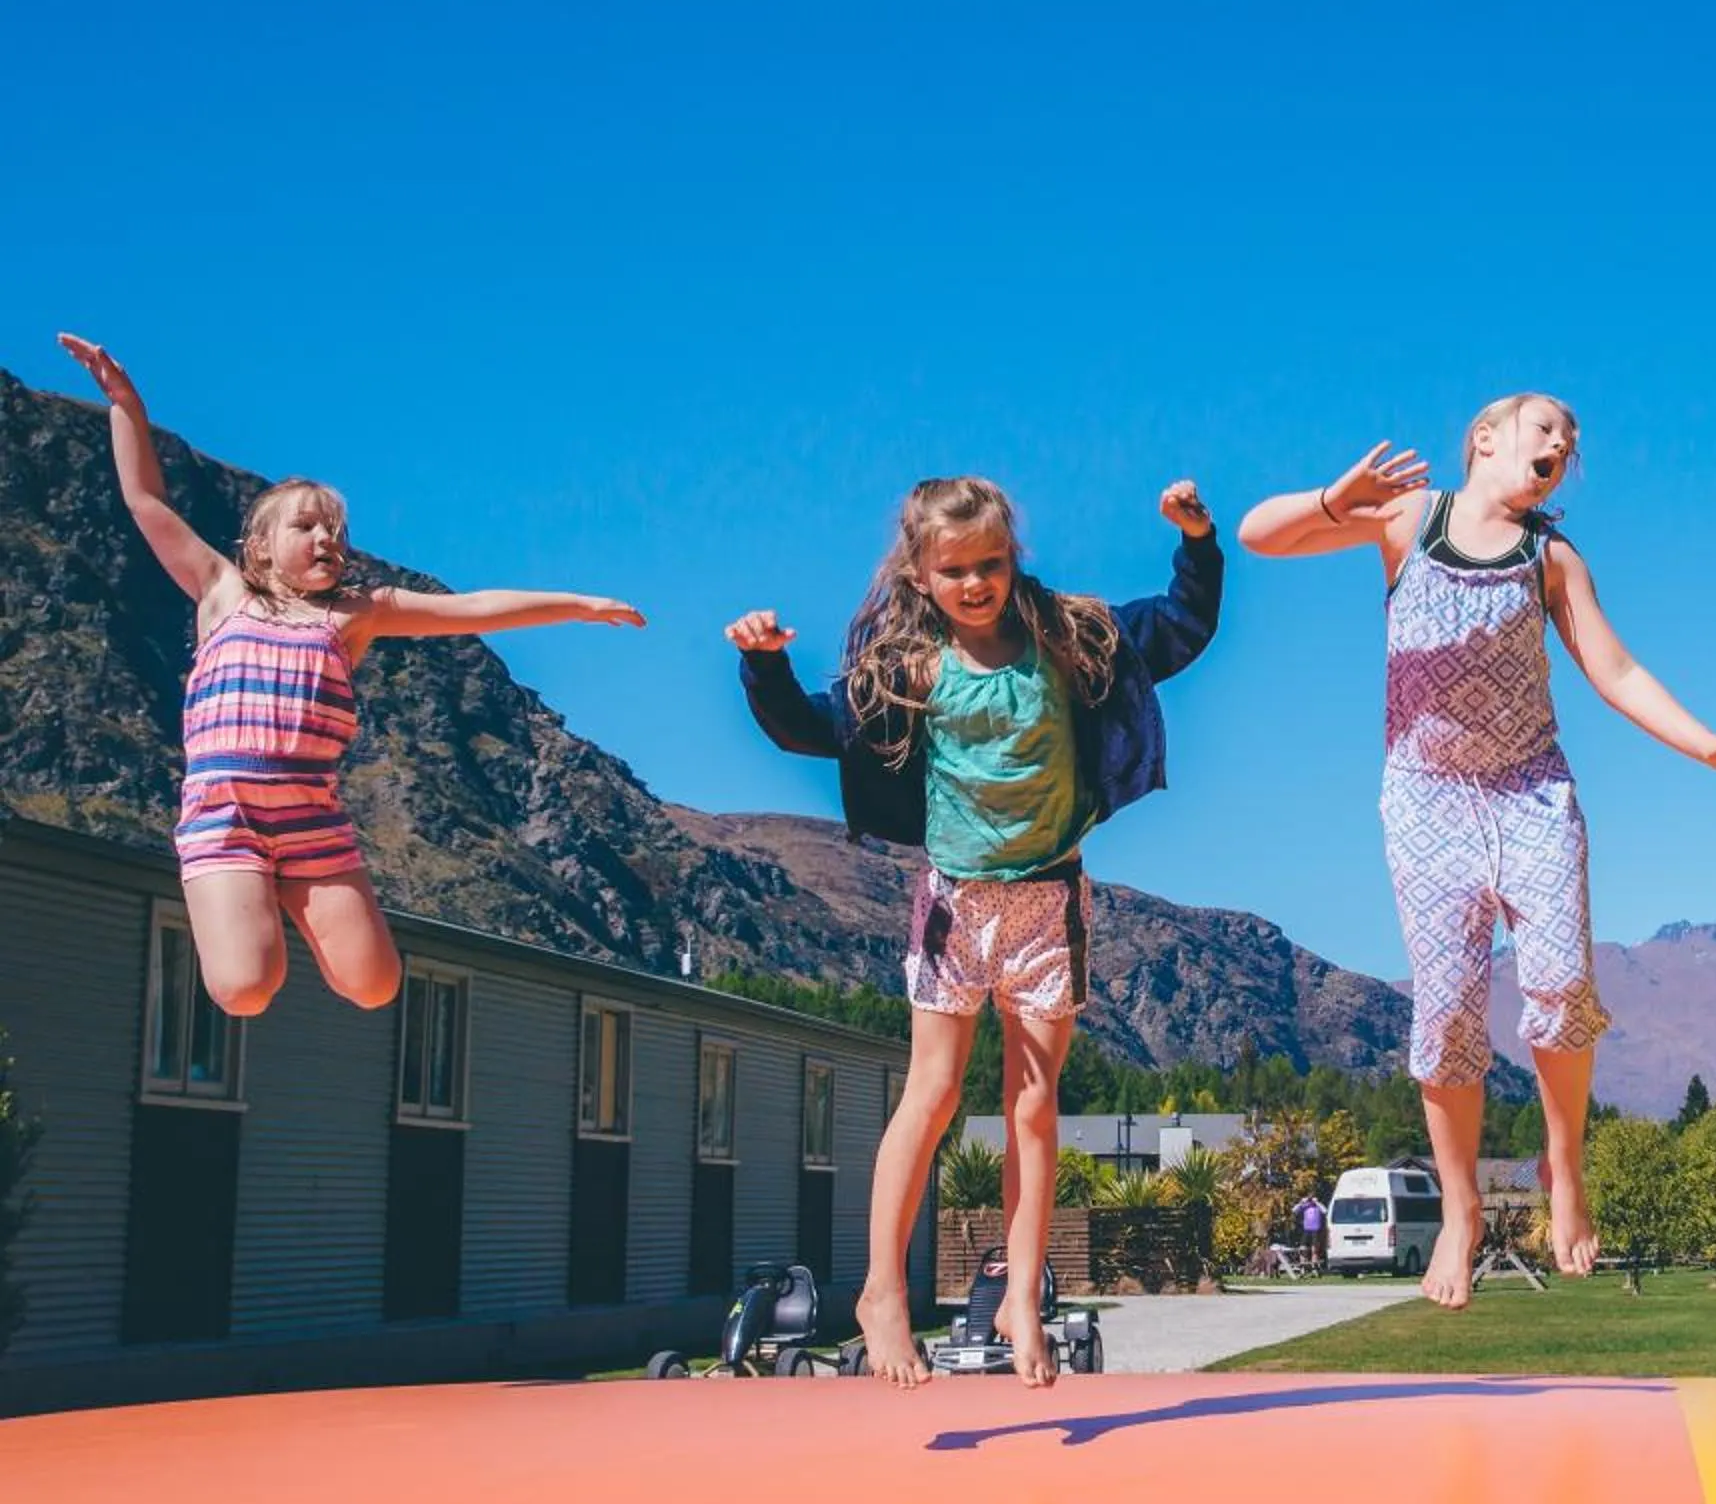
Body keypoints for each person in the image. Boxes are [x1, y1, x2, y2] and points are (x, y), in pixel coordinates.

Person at [1239, 397, 1716, 1310]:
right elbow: (1261, 536)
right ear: (1485, 441)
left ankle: (1563, 1163)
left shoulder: (1551, 559)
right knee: (1447, 1012)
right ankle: (1460, 1211)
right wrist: (1339, 496)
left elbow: (1615, 671)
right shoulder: (1409, 518)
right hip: (1425, 797)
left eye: (1571, 446)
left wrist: (1707, 747)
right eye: (1548, 433)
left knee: (1565, 983)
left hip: (1531, 791)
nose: (1563, 448)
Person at [730, 474, 1220, 1385]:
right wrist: (763, 664)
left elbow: (1182, 628)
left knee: (1033, 1108)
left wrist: (1196, 542)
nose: (975, 583)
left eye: (990, 564)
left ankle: (1023, 1300)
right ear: (920, 574)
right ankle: (882, 1292)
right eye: (954, 570)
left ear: (1012, 558)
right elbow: (807, 730)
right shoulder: (907, 672)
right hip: (956, 905)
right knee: (936, 1090)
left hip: (1049, 902)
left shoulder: (1070, 639)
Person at [62, 333, 642, 1018]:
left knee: (376, 986)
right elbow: (146, 502)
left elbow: (471, 609)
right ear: (261, 547)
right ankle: (247, 896)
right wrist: (126, 403)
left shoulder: (356, 615)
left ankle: (286, 890)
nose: (326, 540)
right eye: (306, 527)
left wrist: (576, 605)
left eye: (335, 530)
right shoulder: (221, 591)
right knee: (248, 989)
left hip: (312, 816)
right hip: (227, 816)